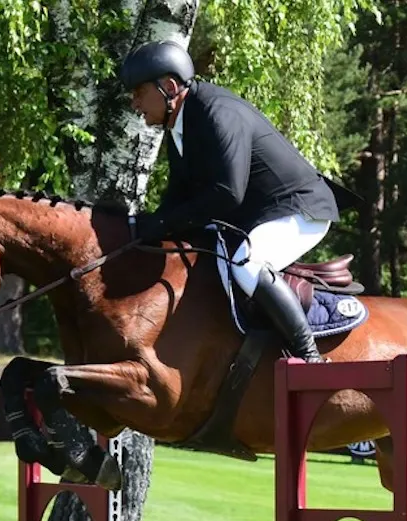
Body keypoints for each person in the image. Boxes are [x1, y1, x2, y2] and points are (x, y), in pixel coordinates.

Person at [120, 40, 353, 363]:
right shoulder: (181, 126)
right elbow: (178, 195)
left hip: (298, 208)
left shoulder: (217, 113)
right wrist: (144, 228)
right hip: (259, 214)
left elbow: (228, 193)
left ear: (169, 87)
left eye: (139, 92)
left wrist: (164, 223)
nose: (134, 103)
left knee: (247, 264)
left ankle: (309, 357)